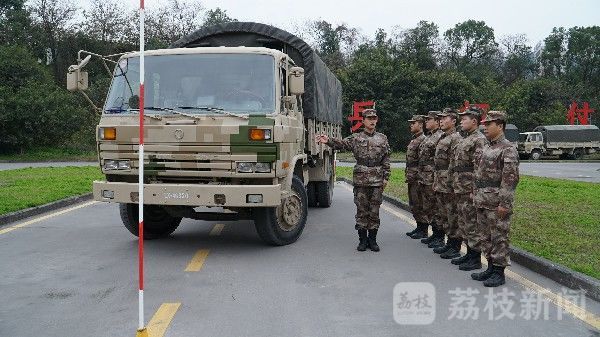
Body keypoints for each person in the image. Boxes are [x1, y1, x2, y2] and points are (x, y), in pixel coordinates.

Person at [316, 109, 391, 252]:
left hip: (377, 179)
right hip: (361, 179)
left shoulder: (383, 138)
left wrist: (386, 177)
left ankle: (373, 240)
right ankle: (362, 240)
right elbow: (342, 144)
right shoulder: (357, 138)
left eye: (374, 118)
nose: (372, 121)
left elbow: (386, 159)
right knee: (362, 210)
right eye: (369, 118)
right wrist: (328, 141)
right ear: (363, 121)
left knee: (374, 211)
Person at [471, 111, 520, 287]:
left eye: (489, 124)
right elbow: (478, 175)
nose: (485, 126)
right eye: (484, 123)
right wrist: (475, 193)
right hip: (483, 200)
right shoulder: (487, 147)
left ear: (500, 126)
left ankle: (499, 273)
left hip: (496, 202)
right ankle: (490, 267)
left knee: (499, 237)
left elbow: (510, 179)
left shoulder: (508, 149)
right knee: (485, 236)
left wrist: (504, 204)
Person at [448, 106, 488, 271]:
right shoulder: (465, 138)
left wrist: (475, 188)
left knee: (471, 223)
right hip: (460, 187)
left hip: (469, 187)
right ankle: (469, 254)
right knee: (464, 222)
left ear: (474, 121)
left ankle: (475, 257)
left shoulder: (479, 139)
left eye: (465, 118)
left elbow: (480, 167)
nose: (461, 121)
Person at [432, 108, 463, 258]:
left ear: (453, 121)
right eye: (440, 119)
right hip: (440, 180)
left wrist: (453, 184)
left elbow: (454, 164)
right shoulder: (443, 137)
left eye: (445, 118)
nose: (441, 121)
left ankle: (455, 245)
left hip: (449, 182)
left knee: (452, 214)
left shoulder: (456, 138)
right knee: (444, 214)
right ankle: (448, 243)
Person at [418, 111, 444, 248]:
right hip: (425, 176)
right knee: (429, 207)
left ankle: (439, 236)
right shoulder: (430, 136)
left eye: (429, 120)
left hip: (432, 176)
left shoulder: (440, 136)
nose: (426, 122)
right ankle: (434, 234)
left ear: (436, 121)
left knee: (436, 207)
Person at [405, 115, 428, 239]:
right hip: (411, 176)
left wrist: (420, 176)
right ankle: (419, 227)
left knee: (419, 203)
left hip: (417, 176)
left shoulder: (423, 140)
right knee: (414, 203)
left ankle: (423, 229)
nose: (411, 125)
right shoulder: (414, 139)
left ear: (420, 125)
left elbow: (423, 161)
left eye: (414, 123)